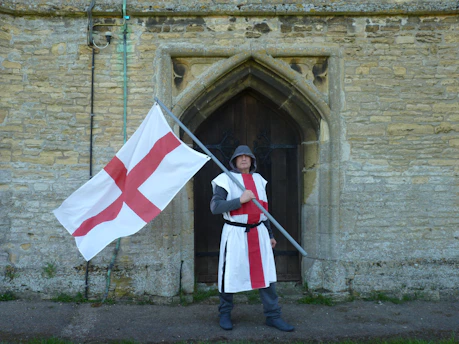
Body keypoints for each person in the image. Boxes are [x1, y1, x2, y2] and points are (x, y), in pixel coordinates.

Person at [210, 145, 294, 332]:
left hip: (259, 233)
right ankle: (224, 314)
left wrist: (270, 234)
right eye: (240, 156)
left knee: (266, 276)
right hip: (235, 234)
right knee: (229, 275)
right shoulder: (225, 179)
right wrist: (240, 200)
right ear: (234, 160)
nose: (244, 159)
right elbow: (216, 207)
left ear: (253, 161)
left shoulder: (259, 180)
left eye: (247, 156)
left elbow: (263, 210)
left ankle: (273, 316)